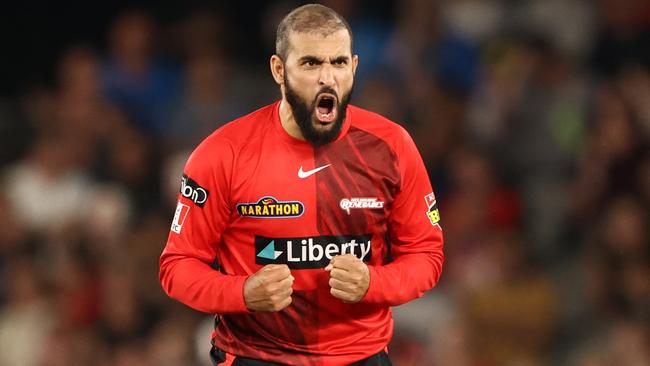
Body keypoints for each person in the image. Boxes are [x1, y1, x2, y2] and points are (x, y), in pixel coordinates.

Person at [159, 4, 444, 365]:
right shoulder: (222, 154)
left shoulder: (393, 147)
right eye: (311, 63)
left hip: (361, 356)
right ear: (279, 70)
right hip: (255, 356)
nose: (328, 78)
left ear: (354, 66)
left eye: (338, 63)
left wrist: (374, 284)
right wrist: (242, 292)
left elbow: (427, 255)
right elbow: (177, 267)